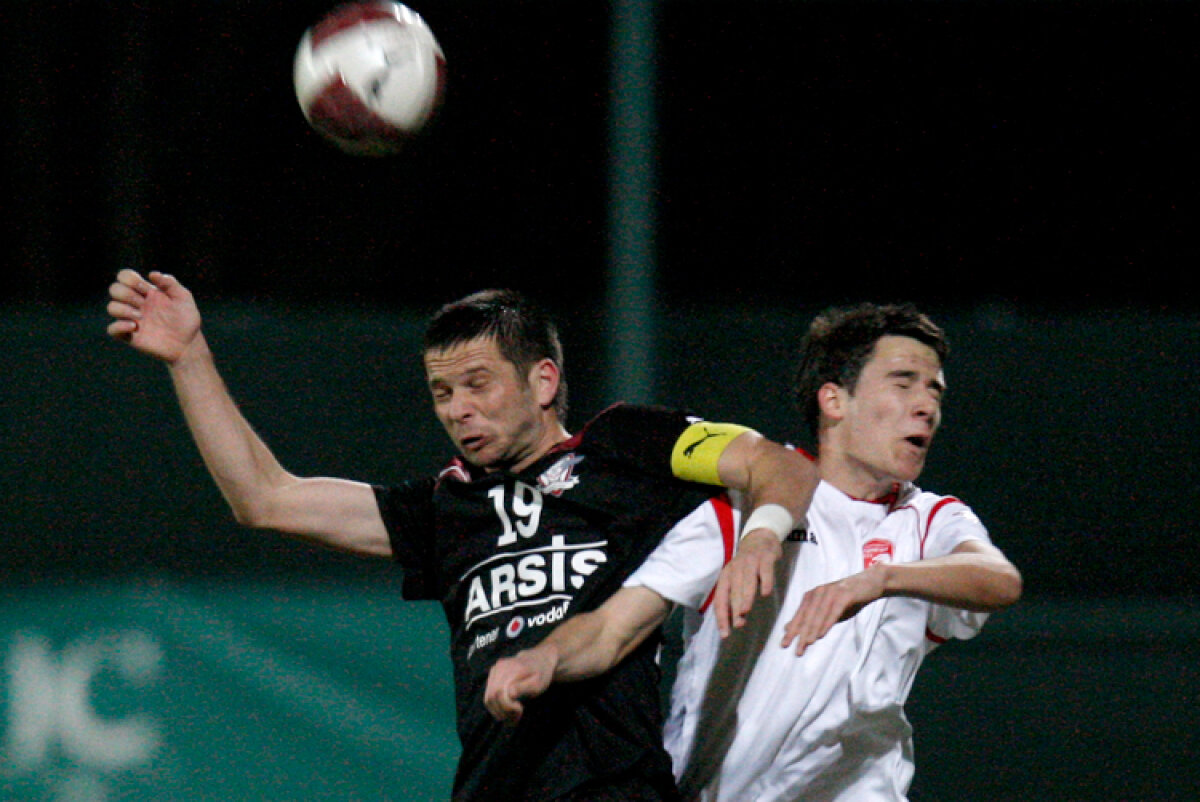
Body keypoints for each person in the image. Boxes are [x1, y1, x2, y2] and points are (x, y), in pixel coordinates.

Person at [104, 269, 817, 802]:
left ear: (543, 381)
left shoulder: (626, 444)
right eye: (443, 392)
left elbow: (773, 466)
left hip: (616, 786)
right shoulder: (446, 507)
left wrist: (759, 537)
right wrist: (189, 357)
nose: (458, 409)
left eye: (478, 383)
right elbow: (266, 498)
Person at [483, 302, 1022, 802]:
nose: (927, 406)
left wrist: (879, 578)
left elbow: (998, 579)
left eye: (935, 391)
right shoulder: (742, 509)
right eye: (904, 384)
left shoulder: (928, 520)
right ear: (833, 399)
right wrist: (543, 658)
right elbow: (612, 629)